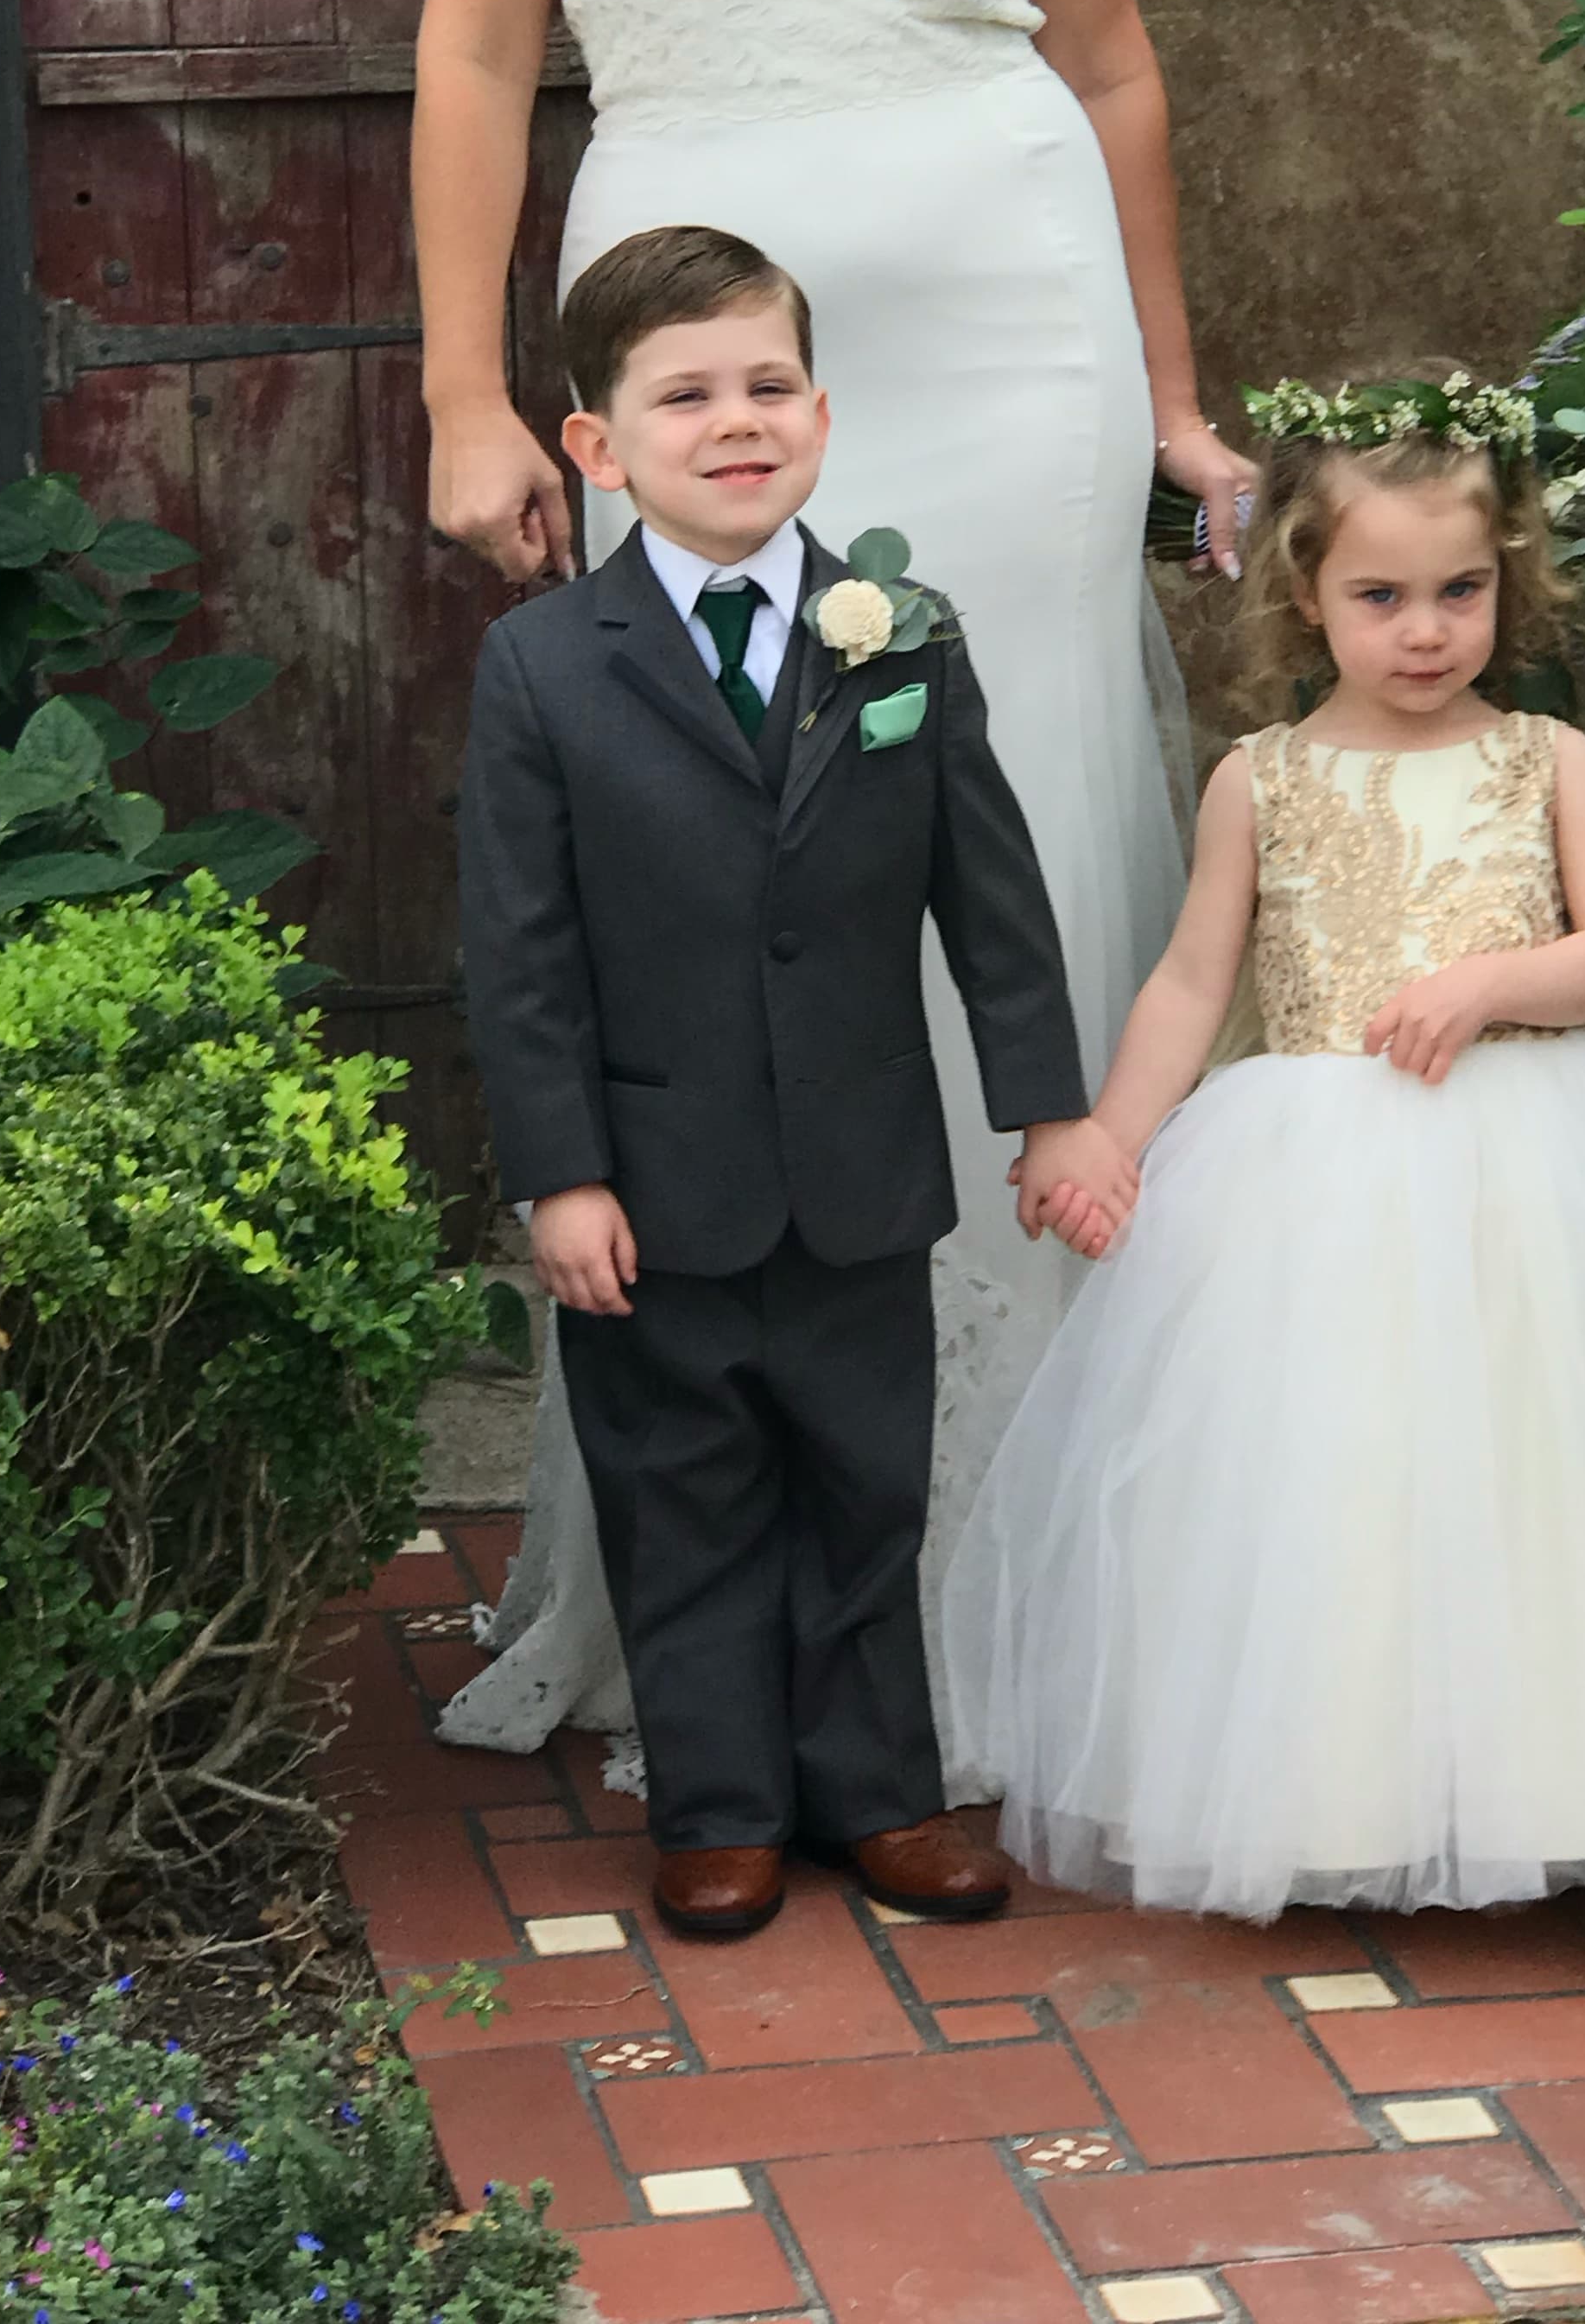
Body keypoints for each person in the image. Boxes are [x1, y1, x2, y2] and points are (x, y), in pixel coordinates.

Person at [415, 0, 1250, 1766]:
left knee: (1003, 884)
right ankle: (727, 1611)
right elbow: (471, 56)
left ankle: (1027, 1586)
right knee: (701, 912)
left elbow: (1105, 64)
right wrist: (469, 395)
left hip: (1004, 346)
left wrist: (1176, 396)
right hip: (693, 334)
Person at [942, 371, 1585, 1917]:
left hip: (1548, 1168)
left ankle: (1584, 1778)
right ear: (1304, 592)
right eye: (1381, 596)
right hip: (1306, 1184)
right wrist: (1108, 1132)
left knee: (1555, 1469)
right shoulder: (1259, 783)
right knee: (1335, 1476)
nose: (1425, 630)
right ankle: (1338, 1792)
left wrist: (1496, 981)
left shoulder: (1548, 760)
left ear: (1511, 581)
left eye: (1460, 592)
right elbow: (1188, 984)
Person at [456, 225, 1134, 1939]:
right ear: (599, 448)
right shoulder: (545, 669)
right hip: (652, 1185)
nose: (735, 421)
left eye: (769, 386)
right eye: (686, 395)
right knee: (682, 1499)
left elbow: (993, 896)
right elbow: (521, 951)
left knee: (862, 1485)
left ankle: (878, 1797)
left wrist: (1048, 1105)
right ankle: (721, 1808)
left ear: (822, 415)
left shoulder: (898, 632)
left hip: (858, 1169)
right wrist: (561, 1174)